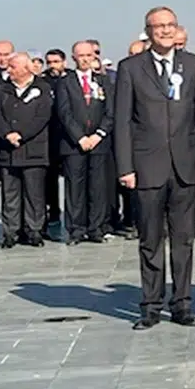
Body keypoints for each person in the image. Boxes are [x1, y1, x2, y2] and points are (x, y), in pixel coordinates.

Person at [114, 6, 195, 330]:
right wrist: (125, 167)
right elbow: (123, 122)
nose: (166, 31)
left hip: (185, 167)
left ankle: (182, 304)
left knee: (184, 240)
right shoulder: (130, 68)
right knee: (150, 240)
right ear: (148, 32)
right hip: (147, 167)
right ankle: (151, 306)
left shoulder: (193, 65)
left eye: (171, 25)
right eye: (159, 26)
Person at [0, 53, 54, 247]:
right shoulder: (3, 89)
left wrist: (22, 134)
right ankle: (11, 232)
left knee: (34, 194)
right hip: (7, 151)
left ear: (26, 68)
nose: (9, 70)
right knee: (10, 195)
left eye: (13, 67)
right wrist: (7, 133)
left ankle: (34, 230)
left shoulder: (42, 88)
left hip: (33, 150)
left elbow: (42, 116)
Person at [56, 41, 115, 244]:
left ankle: (96, 228)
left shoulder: (103, 81)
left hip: (99, 142)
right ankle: (76, 230)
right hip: (74, 144)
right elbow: (64, 113)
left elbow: (110, 112)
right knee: (75, 188)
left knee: (98, 187)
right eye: (81, 56)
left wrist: (98, 135)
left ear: (94, 57)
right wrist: (80, 137)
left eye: (89, 55)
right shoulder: (66, 82)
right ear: (74, 58)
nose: (85, 59)